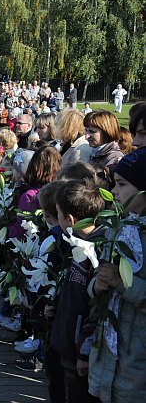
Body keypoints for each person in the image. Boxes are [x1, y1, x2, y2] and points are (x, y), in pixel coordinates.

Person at [88, 147, 146, 403]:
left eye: (122, 184)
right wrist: (96, 285)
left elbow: (121, 282)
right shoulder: (119, 229)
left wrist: (122, 284)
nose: (113, 192)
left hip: (137, 369)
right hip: (108, 363)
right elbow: (101, 276)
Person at [52, 181, 105, 403]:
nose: (57, 220)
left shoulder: (97, 250)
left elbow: (97, 308)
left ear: (70, 220)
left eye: (58, 214)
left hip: (79, 353)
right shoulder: (78, 244)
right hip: (69, 344)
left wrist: (84, 353)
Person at [83, 110, 123, 175]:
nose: (86, 136)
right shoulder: (97, 152)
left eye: (92, 131)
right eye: (86, 130)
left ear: (107, 131)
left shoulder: (114, 159)